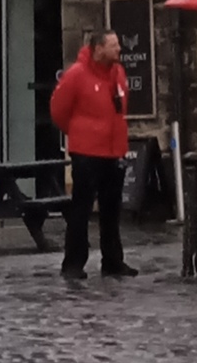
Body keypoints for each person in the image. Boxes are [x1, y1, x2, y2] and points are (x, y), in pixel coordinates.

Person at [50, 28, 135, 281]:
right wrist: (80, 132)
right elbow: (58, 109)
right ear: (98, 49)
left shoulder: (118, 73)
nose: (119, 49)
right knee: (81, 208)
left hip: (113, 149)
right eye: (113, 45)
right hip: (87, 152)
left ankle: (113, 260)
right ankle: (73, 263)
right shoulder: (77, 74)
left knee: (112, 208)